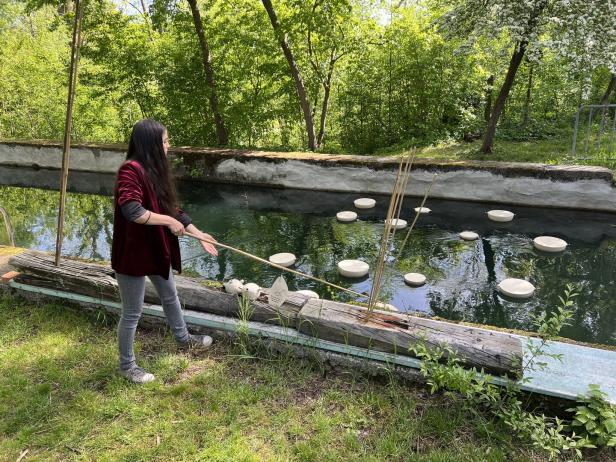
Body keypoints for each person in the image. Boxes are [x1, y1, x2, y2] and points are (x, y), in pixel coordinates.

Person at [111, 119, 218, 384]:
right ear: (151, 144)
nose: (169, 145)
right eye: (166, 141)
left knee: (170, 296)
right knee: (132, 312)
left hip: (156, 249)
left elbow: (172, 210)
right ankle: (127, 366)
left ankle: (183, 339)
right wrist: (169, 222)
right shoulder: (130, 170)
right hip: (132, 254)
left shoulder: (153, 170)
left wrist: (197, 233)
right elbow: (132, 211)